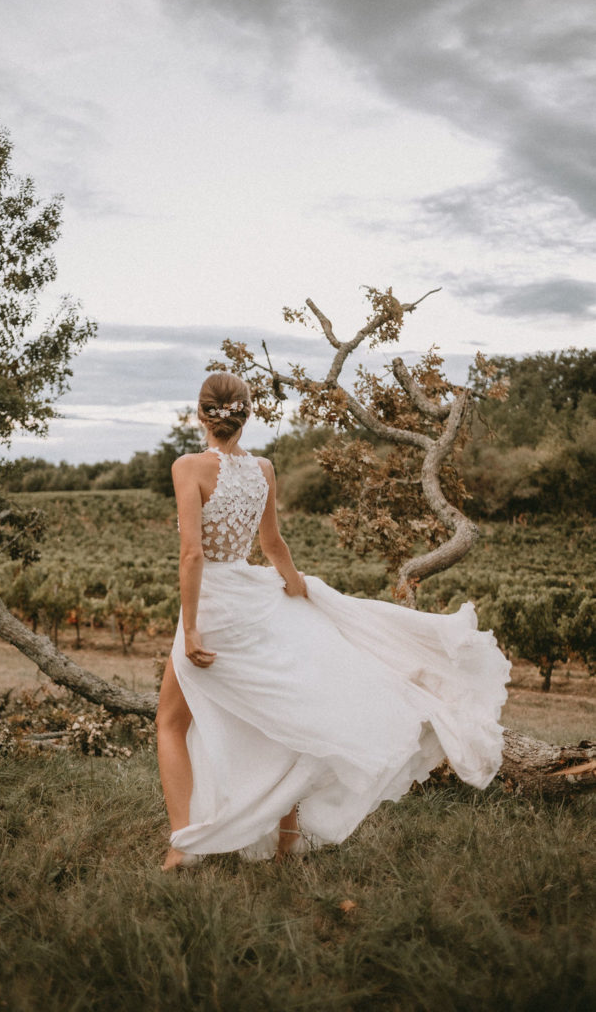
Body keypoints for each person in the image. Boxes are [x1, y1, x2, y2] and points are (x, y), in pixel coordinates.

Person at [156, 372, 510, 871]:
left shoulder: (187, 467)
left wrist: (190, 628)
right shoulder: (263, 469)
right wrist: (297, 588)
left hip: (212, 603)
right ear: (245, 415)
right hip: (252, 599)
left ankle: (182, 847)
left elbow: (192, 555)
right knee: (283, 719)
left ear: (200, 414)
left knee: (171, 722)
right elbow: (272, 544)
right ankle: (288, 839)